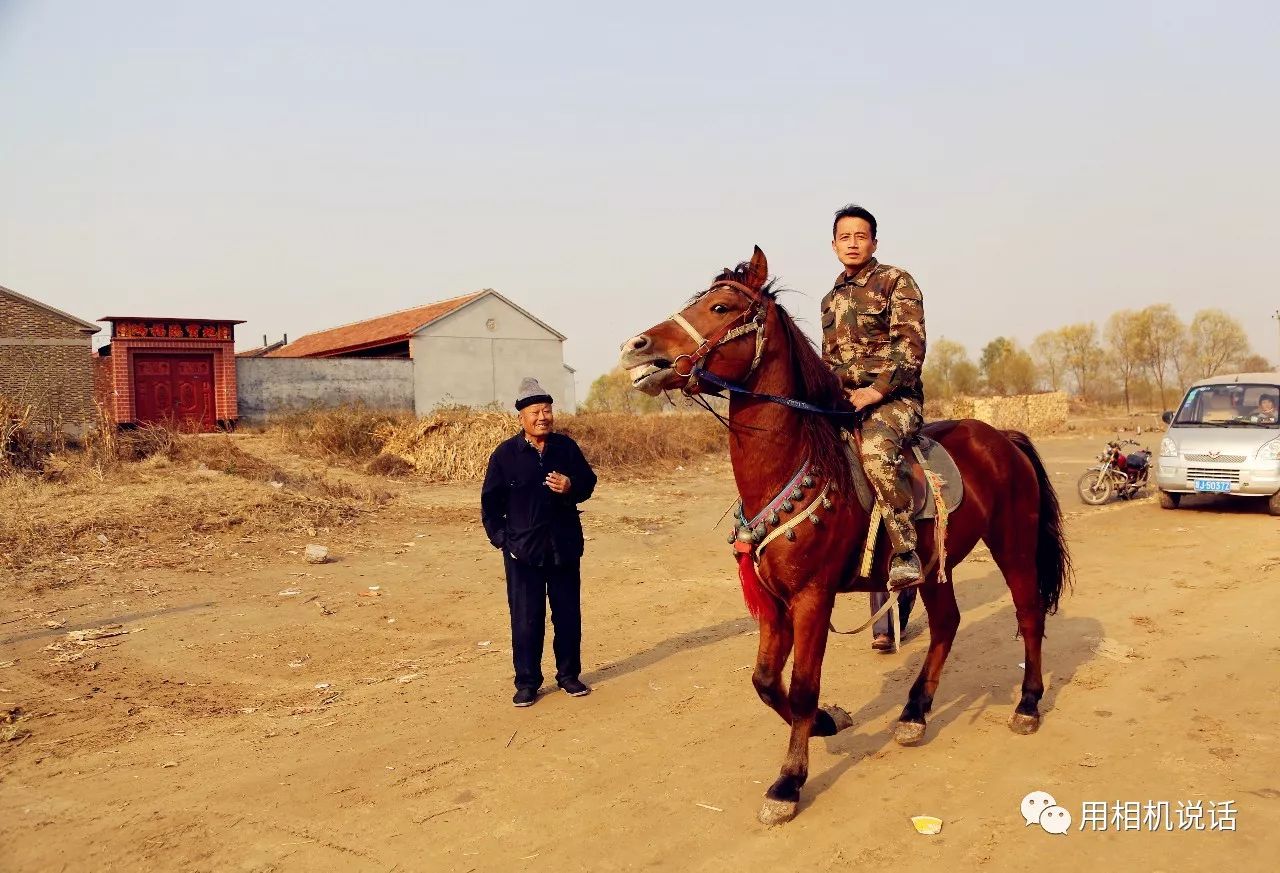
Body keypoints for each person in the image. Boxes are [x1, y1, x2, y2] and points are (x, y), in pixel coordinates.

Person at [820, 204, 928, 592]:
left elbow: (911, 350)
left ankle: (904, 551)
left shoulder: (896, 281)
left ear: (874, 242)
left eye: (860, 236)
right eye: (845, 237)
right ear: (833, 245)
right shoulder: (829, 299)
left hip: (894, 400)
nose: (853, 244)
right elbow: (828, 361)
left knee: (876, 455)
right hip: (845, 402)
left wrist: (874, 391)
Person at [481, 377, 598, 707]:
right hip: (523, 553)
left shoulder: (566, 448)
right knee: (526, 619)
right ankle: (528, 682)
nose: (543, 417)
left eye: (547, 410)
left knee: (567, 615)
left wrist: (570, 485)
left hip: (564, 547)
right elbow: (490, 504)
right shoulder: (505, 455)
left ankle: (569, 676)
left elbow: (589, 483)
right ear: (521, 417)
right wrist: (504, 541)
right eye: (535, 412)